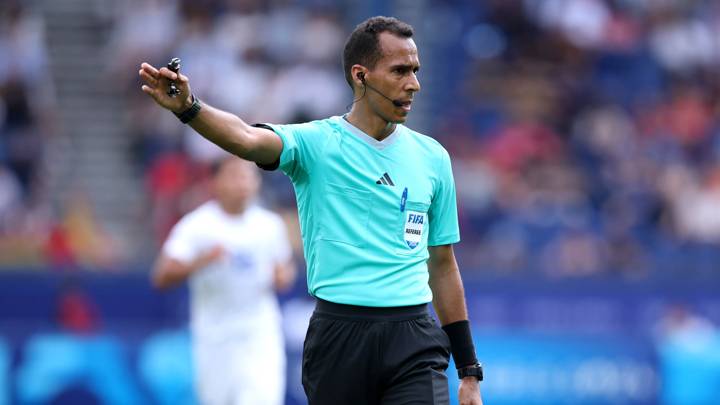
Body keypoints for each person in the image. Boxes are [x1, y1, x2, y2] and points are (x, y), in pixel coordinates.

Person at [140, 15, 483, 405]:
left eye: (416, 71)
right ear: (361, 75)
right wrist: (189, 108)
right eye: (400, 70)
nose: (414, 84)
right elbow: (247, 139)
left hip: (414, 336)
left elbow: (442, 264)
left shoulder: (433, 157)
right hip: (339, 336)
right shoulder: (315, 143)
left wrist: (469, 370)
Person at [151, 157, 296, 405]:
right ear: (216, 182)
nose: (243, 182)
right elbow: (161, 276)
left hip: (259, 336)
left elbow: (285, 270)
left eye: (249, 175)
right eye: (234, 175)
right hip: (215, 340)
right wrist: (203, 261)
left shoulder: (269, 226)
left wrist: (283, 276)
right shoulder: (197, 226)